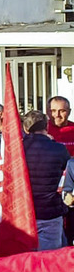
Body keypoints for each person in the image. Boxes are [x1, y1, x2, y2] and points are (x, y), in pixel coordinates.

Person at [22, 109, 70, 250]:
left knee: (24, 257)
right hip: (50, 210)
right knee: (49, 258)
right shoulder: (59, 149)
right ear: (47, 126)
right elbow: (67, 172)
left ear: (25, 128)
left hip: (24, 210)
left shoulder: (18, 149)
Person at [48, 95, 74, 245]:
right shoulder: (43, 131)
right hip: (50, 190)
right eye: (53, 111)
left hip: (71, 192)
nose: (57, 115)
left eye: (62, 111)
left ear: (69, 111)